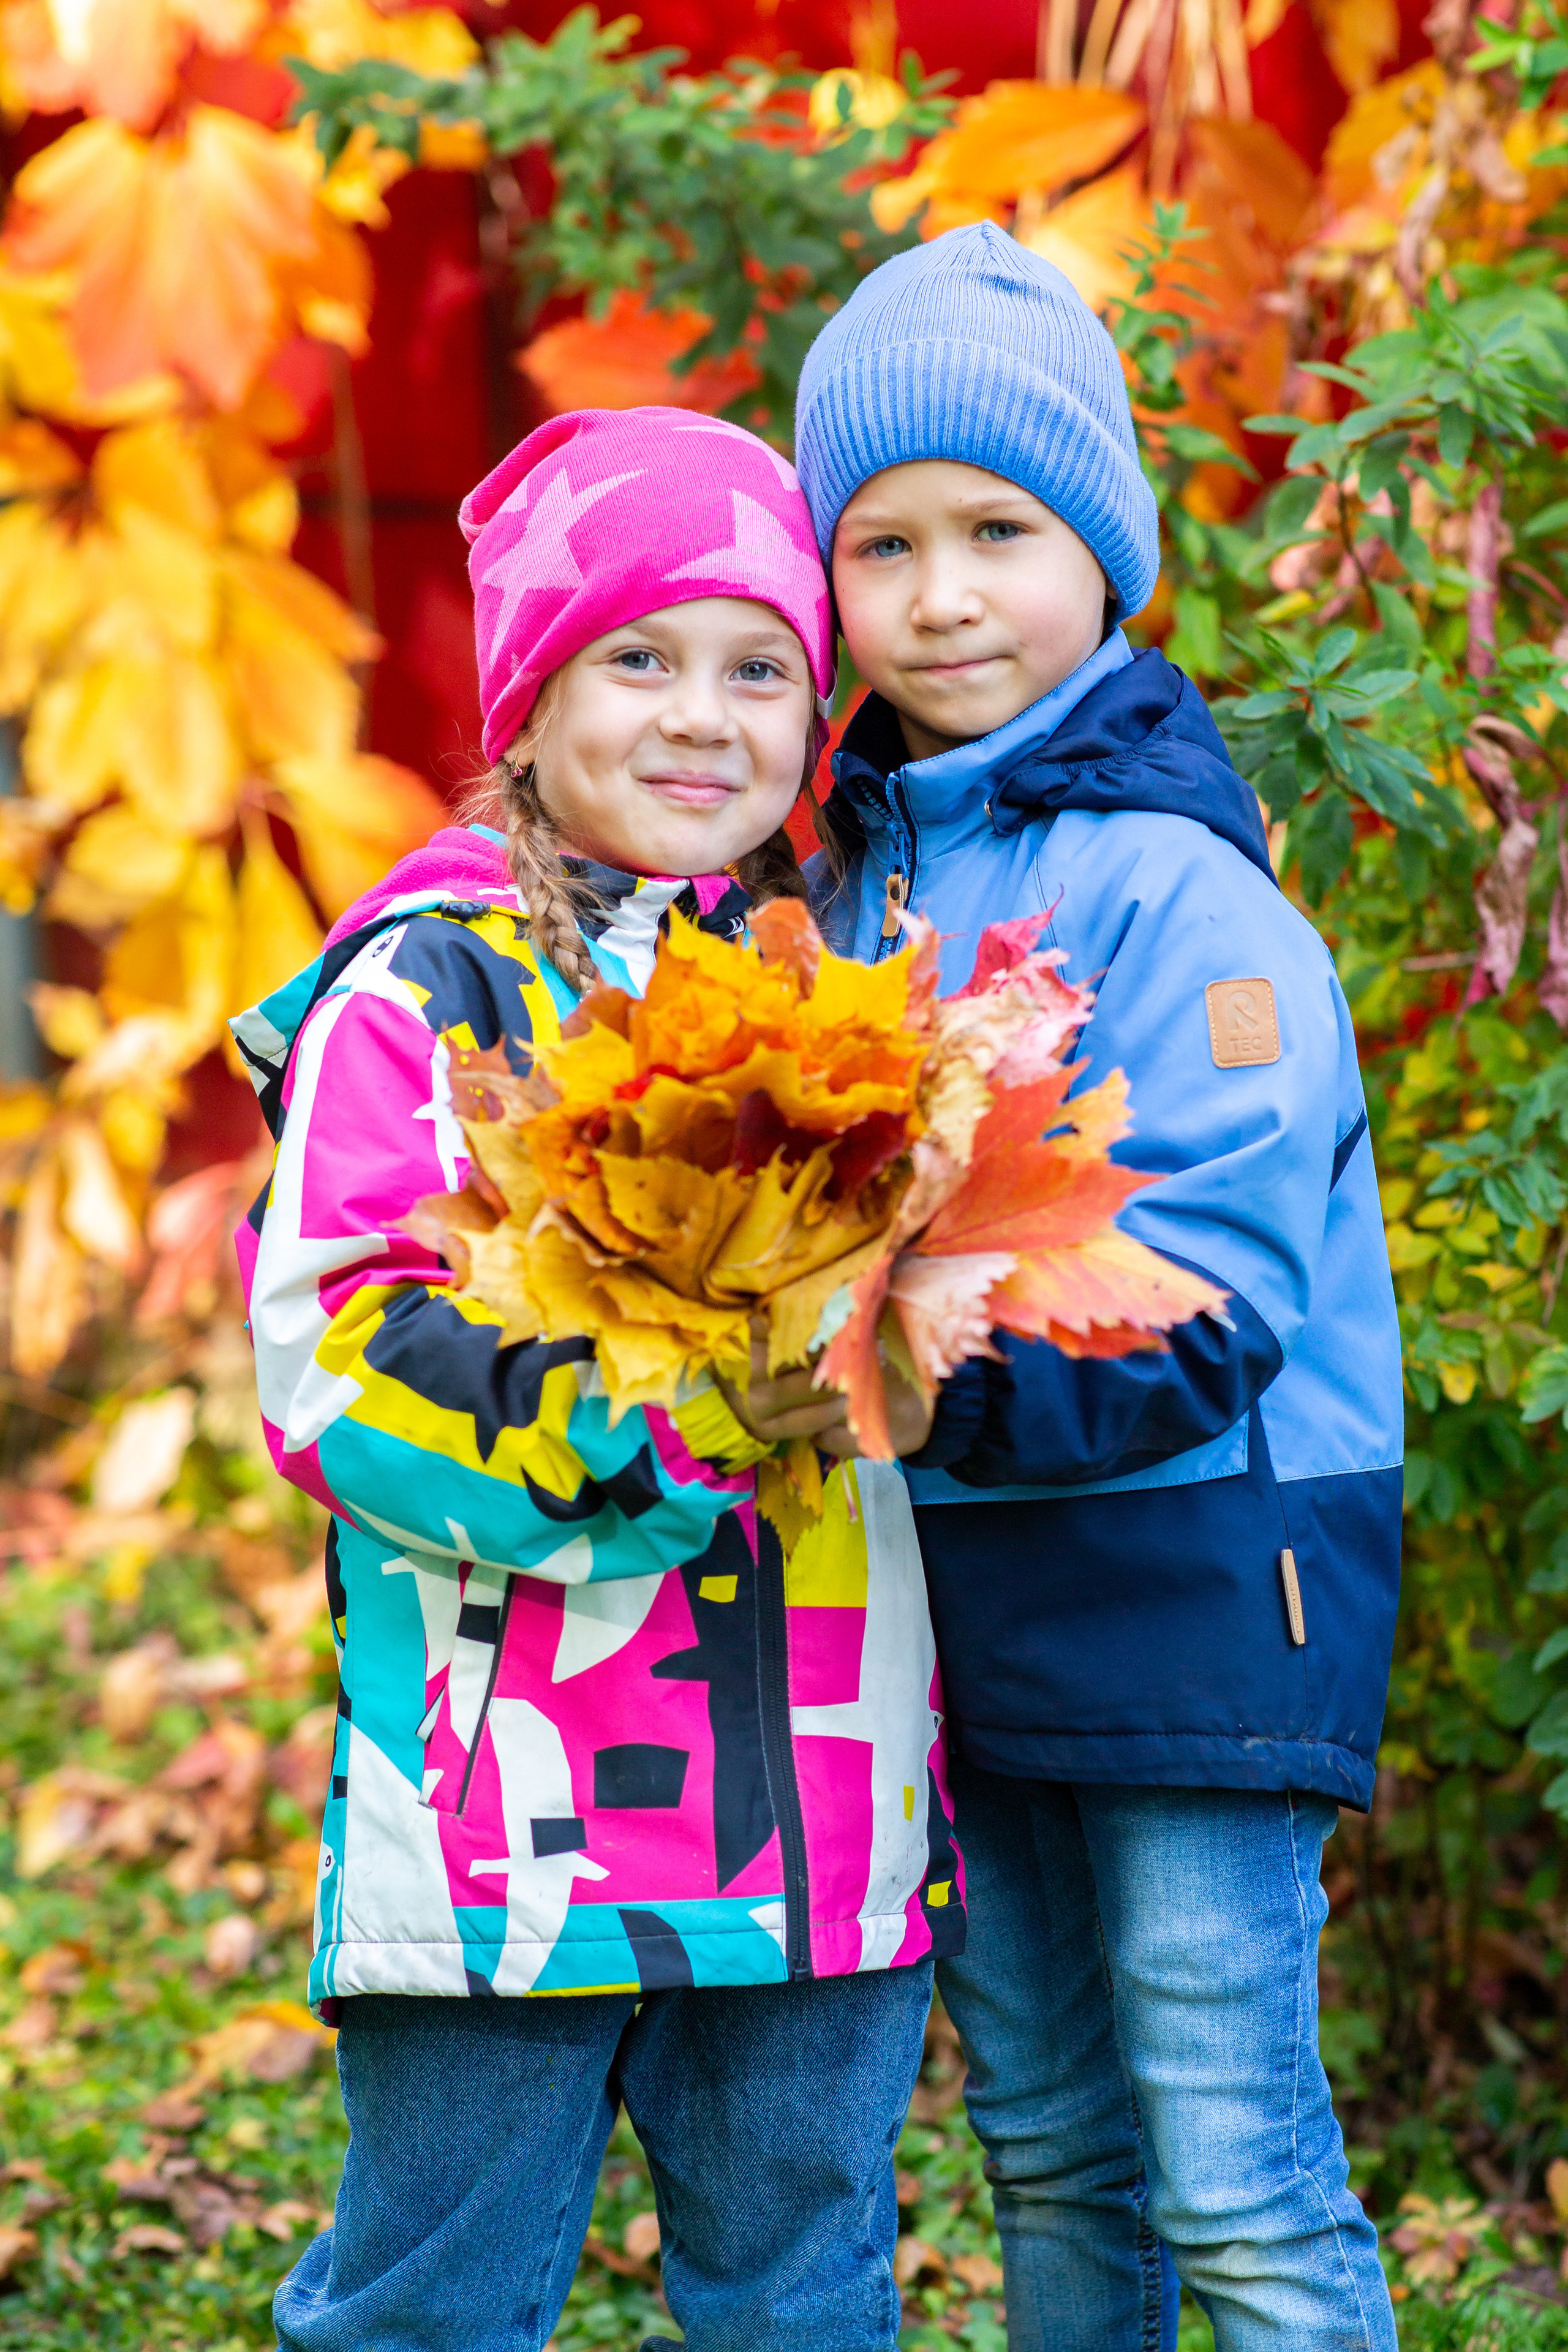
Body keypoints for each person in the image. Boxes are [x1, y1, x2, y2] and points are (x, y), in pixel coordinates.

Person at [232, 406, 964, 2352]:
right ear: (530, 702)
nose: (700, 717)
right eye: (636, 657)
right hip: (511, 1808)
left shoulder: (836, 993)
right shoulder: (432, 990)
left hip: (811, 1776)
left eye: (759, 671)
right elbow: (341, 1342)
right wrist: (648, 1440)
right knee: (442, 2286)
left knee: (803, 2274)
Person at [790, 221, 1404, 2352]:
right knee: (1047, 2140)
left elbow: (1213, 1279)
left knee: (1235, 2167)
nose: (943, 594)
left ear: (1110, 554)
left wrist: (905, 1382)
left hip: (1198, 1568)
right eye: (883, 546)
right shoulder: (840, 880)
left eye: (1000, 530)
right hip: (949, 1594)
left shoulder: (1177, 879)